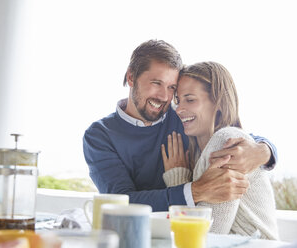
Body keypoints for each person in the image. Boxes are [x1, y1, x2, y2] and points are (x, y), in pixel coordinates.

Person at [82, 39, 277, 211]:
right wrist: (196, 191)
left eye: (171, 87)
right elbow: (122, 202)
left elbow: (229, 133)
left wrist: (264, 150)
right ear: (131, 77)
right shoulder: (99, 135)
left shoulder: (183, 119)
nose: (164, 97)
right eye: (156, 83)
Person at [161, 62, 278, 239]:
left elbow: (205, 235)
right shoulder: (202, 152)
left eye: (190, 99)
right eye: (178, 100)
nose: (179, 109)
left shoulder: (226, 141)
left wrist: (177, 181)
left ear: (220, 103)